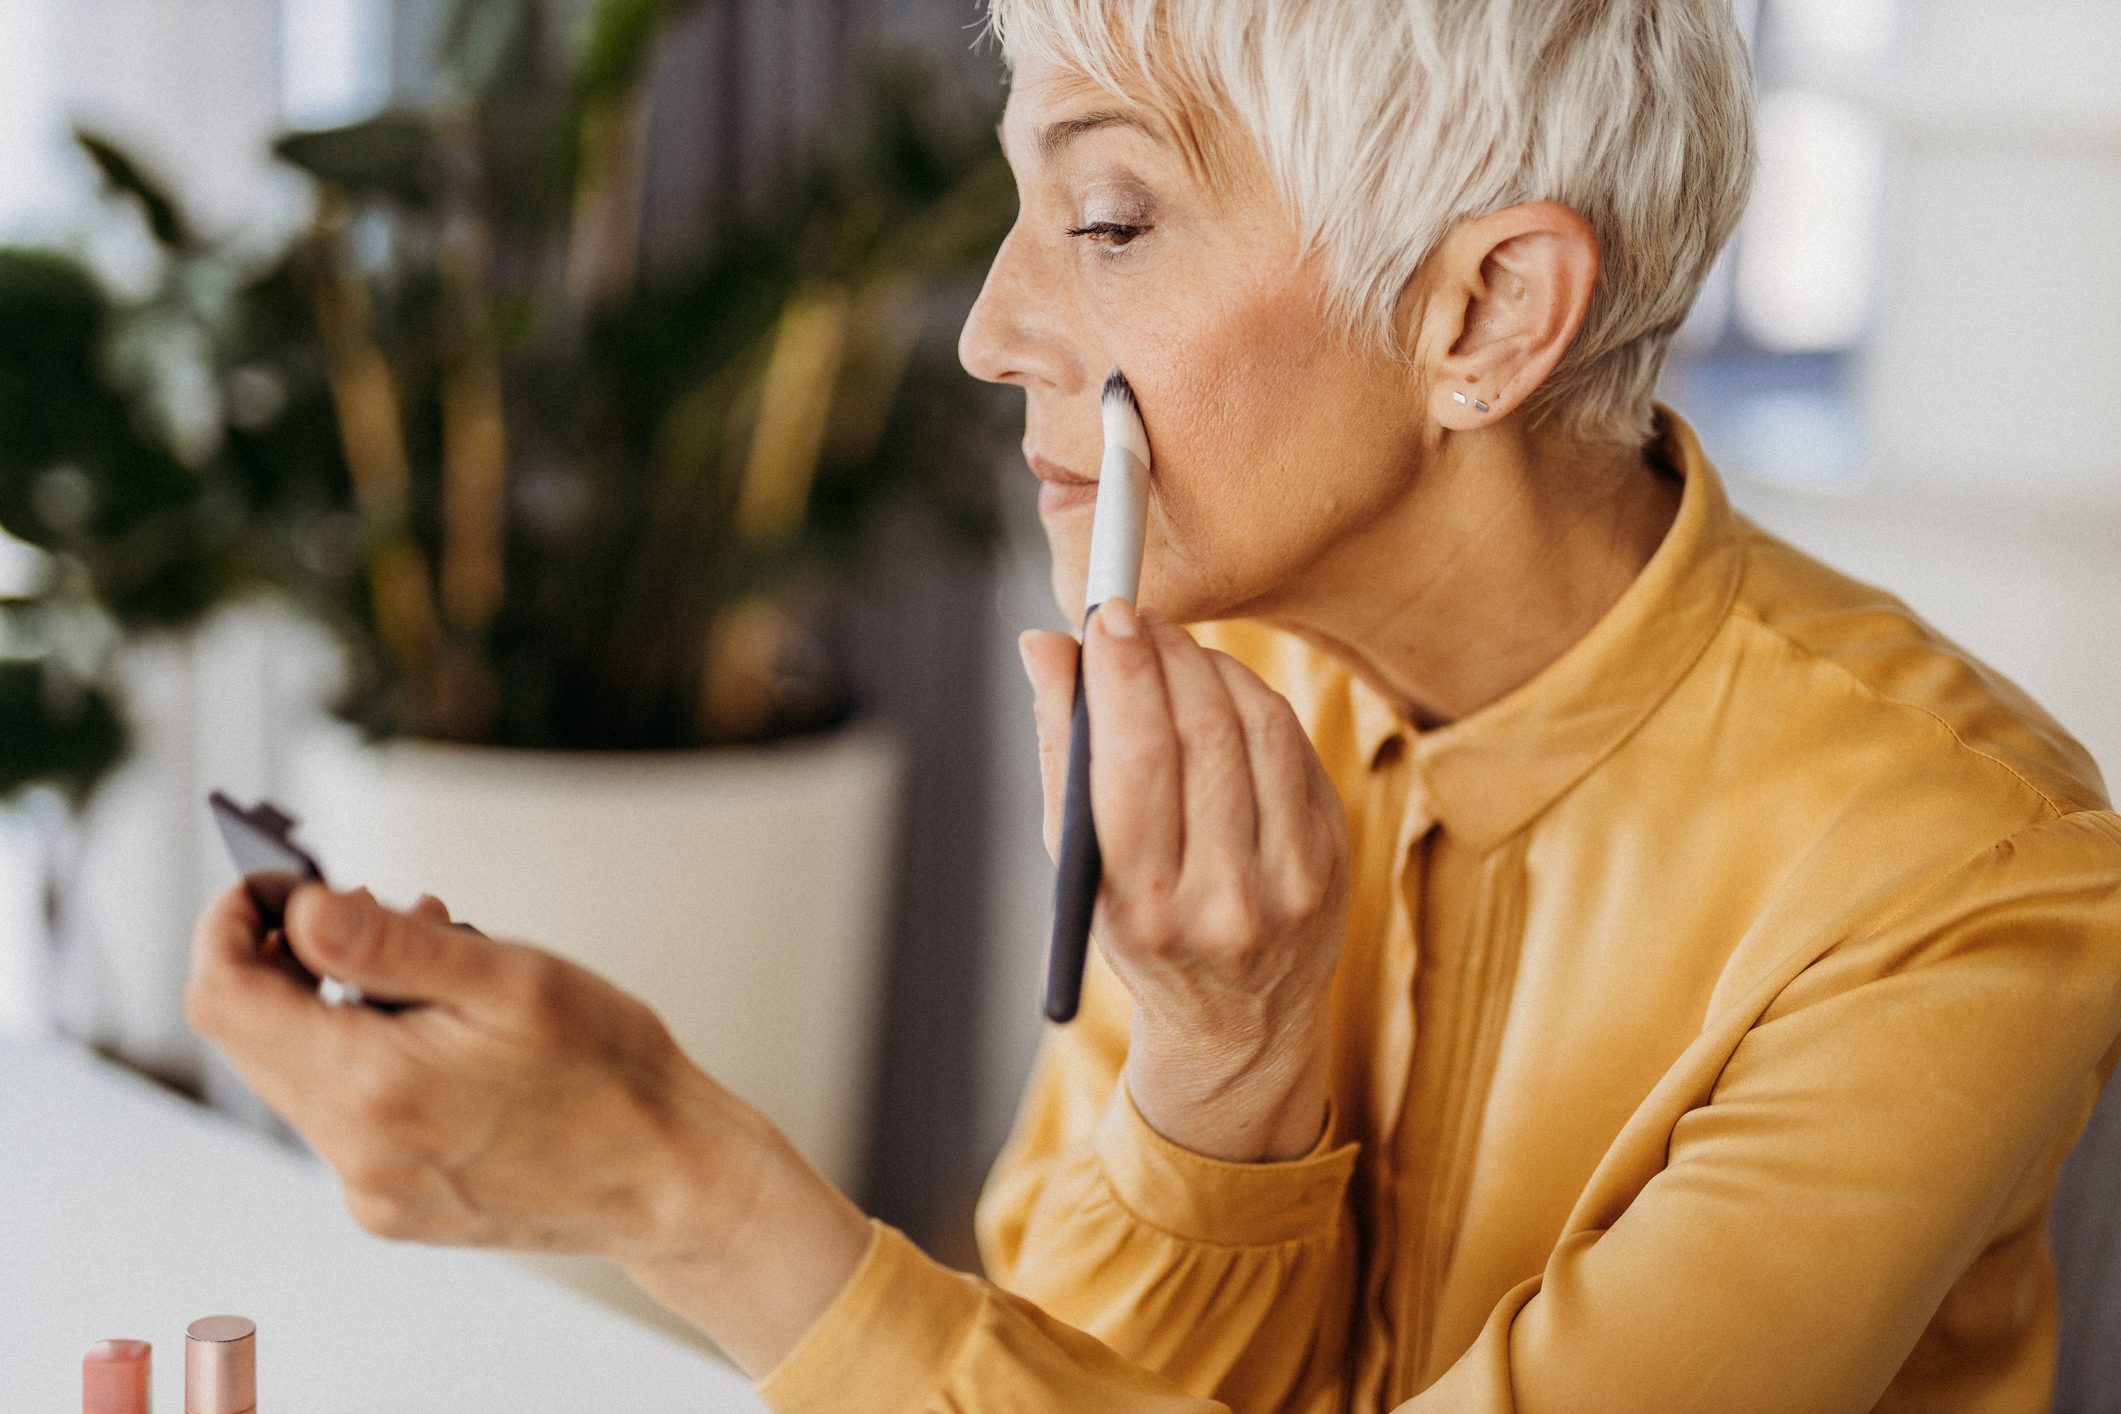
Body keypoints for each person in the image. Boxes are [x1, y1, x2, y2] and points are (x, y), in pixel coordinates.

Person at [186, 1, 2121, 1409]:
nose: (989, 326)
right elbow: (1063, 1369)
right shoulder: (1229, 678)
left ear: (1482, 317)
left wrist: (678, 1190)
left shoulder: (1959, 879)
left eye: (1106, 224)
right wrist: (1219, 1072)